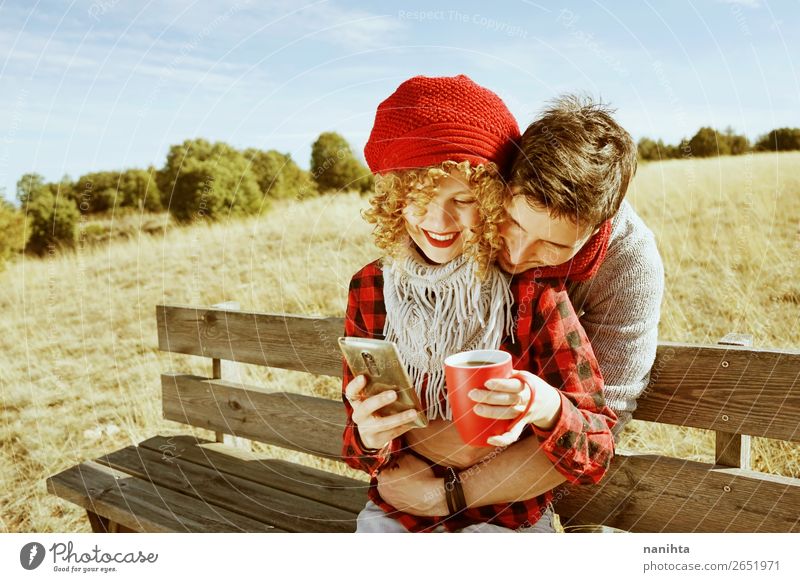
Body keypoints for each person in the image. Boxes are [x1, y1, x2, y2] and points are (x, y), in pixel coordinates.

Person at [341, 75, 617, 533]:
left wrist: (544, 403)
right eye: (418, 196)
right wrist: (369, 437)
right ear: (394, 201)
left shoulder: (530, 292)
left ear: (494, 201)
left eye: (463, 199)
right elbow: (359, 446)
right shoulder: (371, 286)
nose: (437, 220)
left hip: (508, 518)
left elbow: (597, 447)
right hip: (399, 514)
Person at [375, 94, 665, 517]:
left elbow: (603, 417)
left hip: (521, 473)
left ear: (598, 228)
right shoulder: (475, 211)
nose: (514, 253)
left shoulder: (630, 264)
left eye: (552, 245)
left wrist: (449, 497)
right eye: (512, 223)